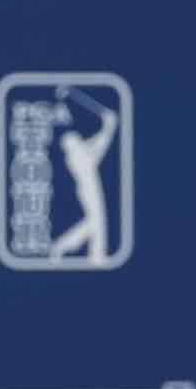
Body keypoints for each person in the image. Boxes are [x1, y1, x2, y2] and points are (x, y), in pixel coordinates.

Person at [49, 88, 118, 265]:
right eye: (76, 140)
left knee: (95, 221)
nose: (79, 139)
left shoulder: (79, 151)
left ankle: (89, 253)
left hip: (89, 186)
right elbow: (100, 146)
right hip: (88, 188)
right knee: (97, 220)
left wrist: (108, 124)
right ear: (70, 146)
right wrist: (109, 126)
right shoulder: (77, 157)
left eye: (78, 138)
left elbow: (95, 142)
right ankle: (69, 248)